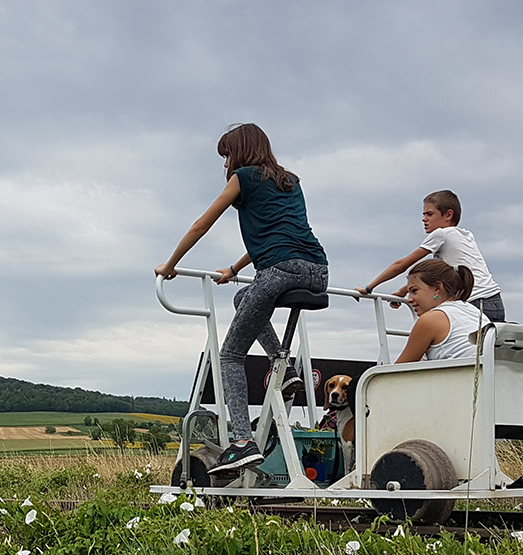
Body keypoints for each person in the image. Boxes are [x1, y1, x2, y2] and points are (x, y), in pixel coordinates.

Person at [155, 123, 329, 474]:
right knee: (243, 299)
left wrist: (171, 265)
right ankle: (286, 366)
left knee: (230, 356)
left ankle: (242, 441)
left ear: (240, 152)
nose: (225, 166)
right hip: (318, 270)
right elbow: (281, 232)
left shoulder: (244, 177)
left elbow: (201, 224)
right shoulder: (290, 181)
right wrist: (234, 268)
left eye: (227, 156)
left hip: (278, 272)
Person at [356, 189, 505, 321]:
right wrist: (404, 291)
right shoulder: (465, 235)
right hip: (495, 303)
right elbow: (439, 273)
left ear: (448, 215)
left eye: (429, 214)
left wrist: (369, 288)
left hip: (474, 301)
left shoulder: (441, 234)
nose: (424, 219)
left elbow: (401, 265)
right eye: (424, 214)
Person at [393, 259, 482, 363]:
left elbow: (397, 371)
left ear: (437, 288)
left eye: (414, 291)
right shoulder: (474, 312)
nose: (409, 299)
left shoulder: (431, 319)